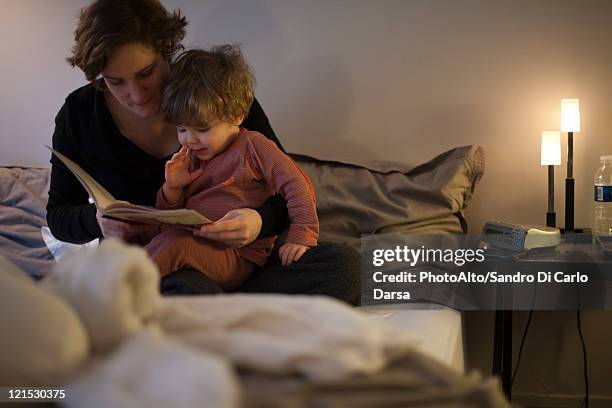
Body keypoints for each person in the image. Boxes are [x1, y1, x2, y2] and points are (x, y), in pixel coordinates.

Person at [46, 0, 359, 304]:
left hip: (245, 259)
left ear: (165, 47)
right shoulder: (79, 116)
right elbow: (59, 216)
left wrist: (259, 221)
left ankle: (215, 314)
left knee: (349, 268)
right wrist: (97, 220)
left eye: (146, 73)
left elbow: (286, 187)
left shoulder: (214, 93)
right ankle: (233, 312)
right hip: (168, 268)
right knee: (185, 285)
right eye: (115, 82)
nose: (136, 95)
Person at [146, 46, 319, 290]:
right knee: (166, 243)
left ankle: (114, 292)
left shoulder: (254, 146)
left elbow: (297, 183)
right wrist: (172, 189)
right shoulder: (190, 156)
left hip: (239, 257)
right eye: (182, 129)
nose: (189, 140)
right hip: (194, 251)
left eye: (203, 129)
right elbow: (167, 225)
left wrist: (302, 234)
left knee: (174, 246)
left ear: (237, 116)